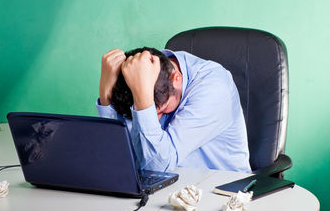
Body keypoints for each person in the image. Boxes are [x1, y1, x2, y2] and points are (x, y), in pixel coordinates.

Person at [96, 47, 251, 173]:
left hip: (221, 193)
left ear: (177, 78)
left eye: (162, 111)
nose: (154, 121)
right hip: (169, 191)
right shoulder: (145, 73)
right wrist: (106, 95)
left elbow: (154, 166)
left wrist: (143, 101)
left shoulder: (215, 88)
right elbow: (122, 159)